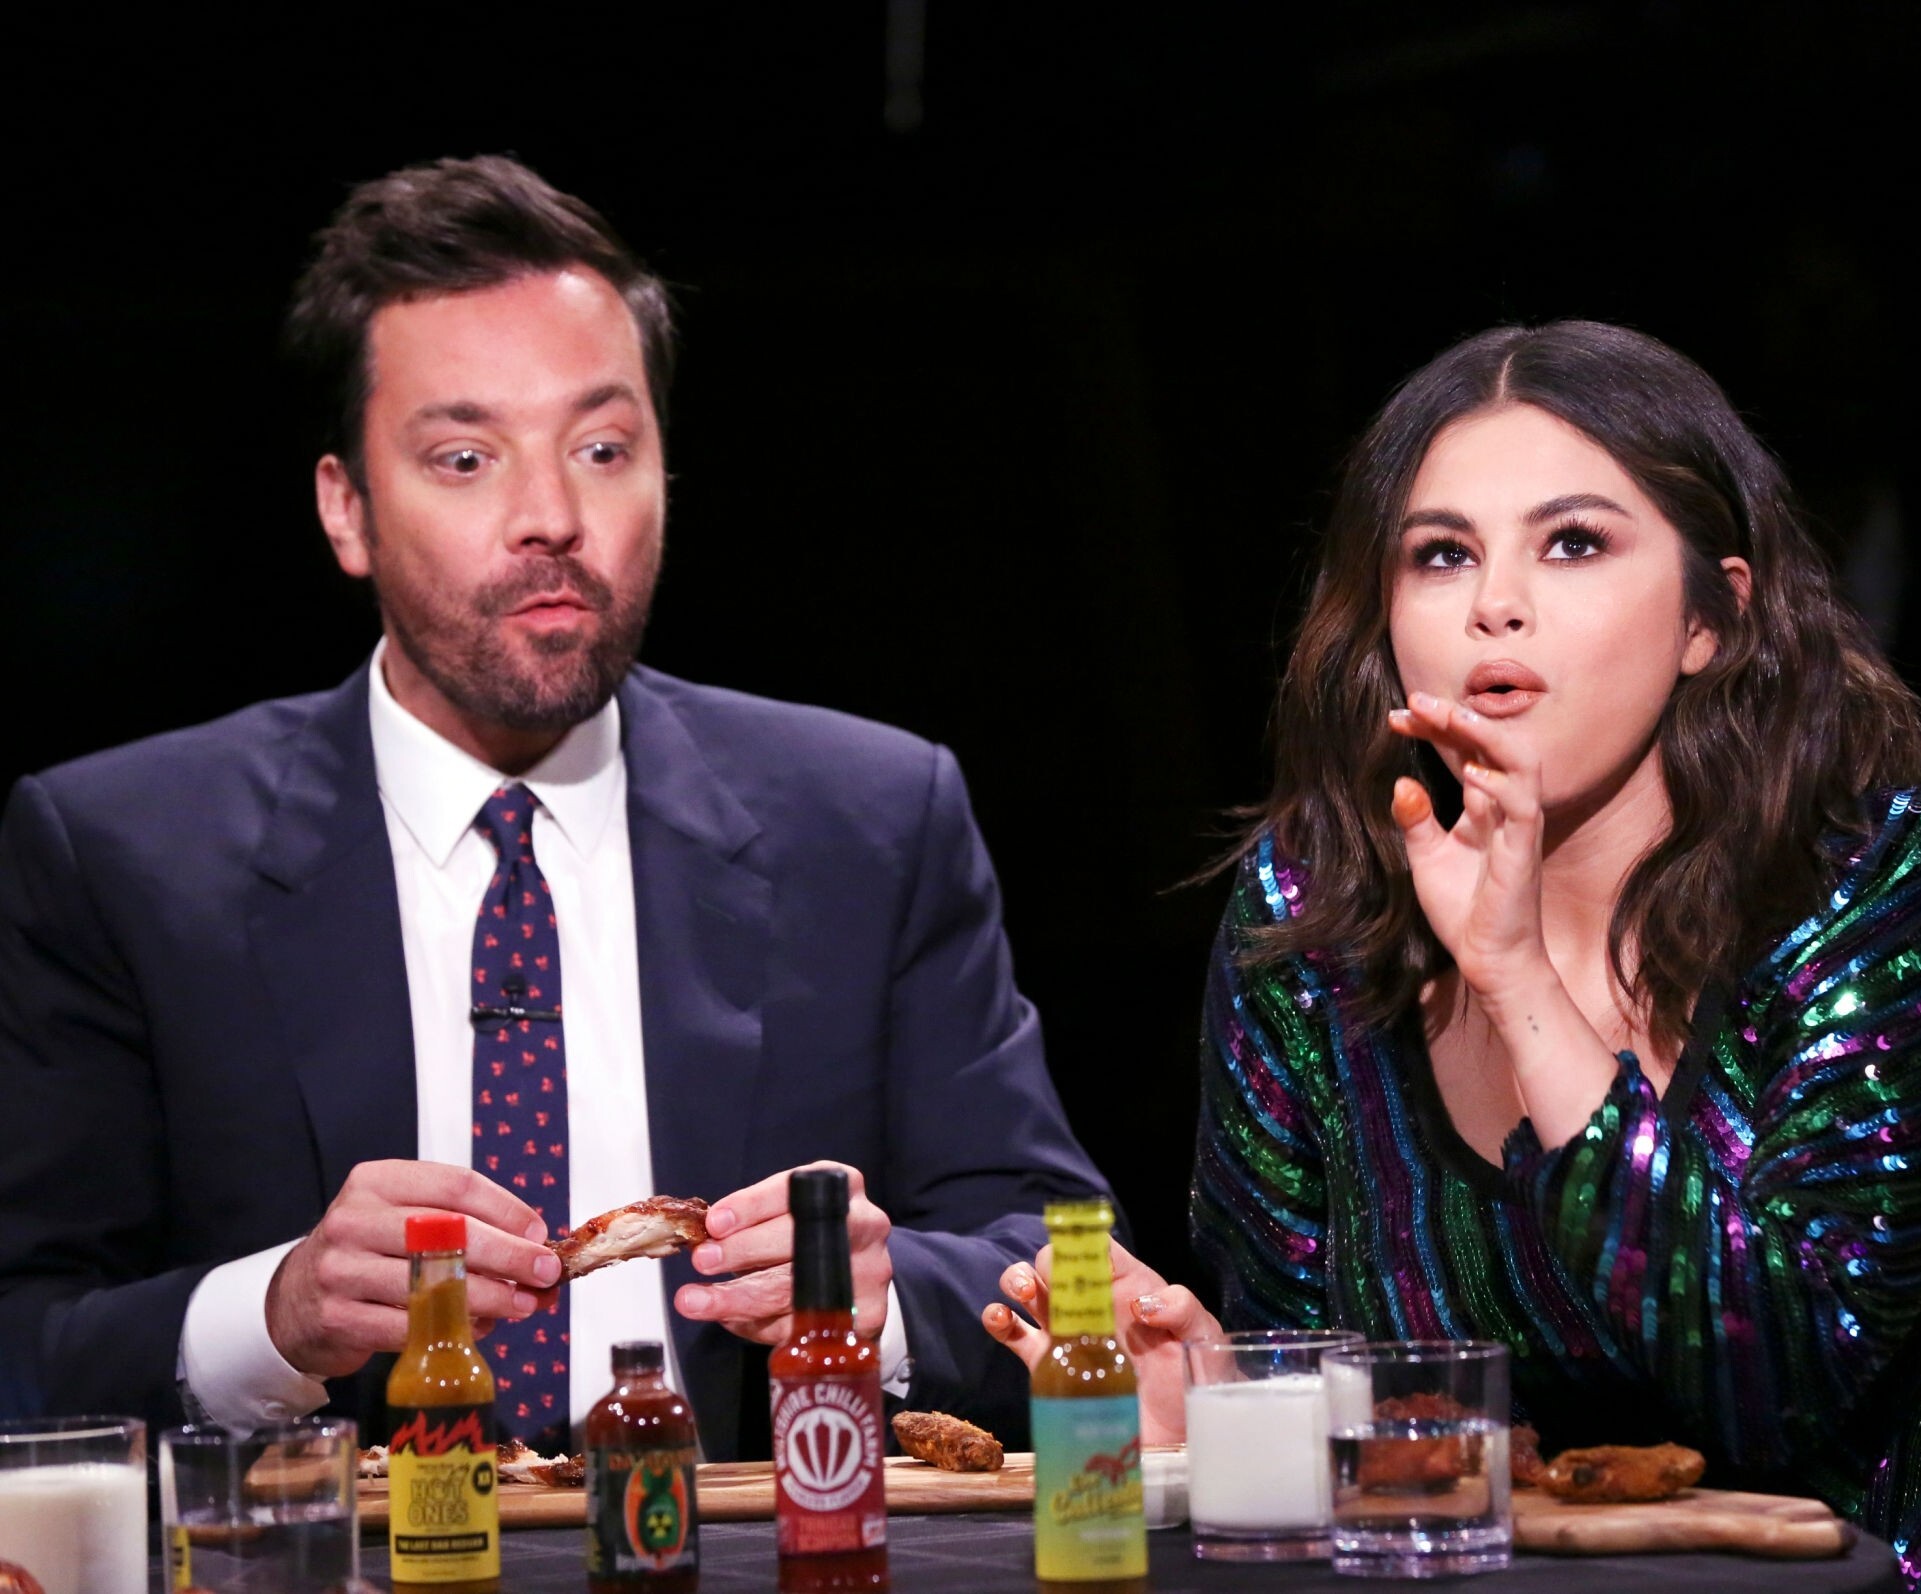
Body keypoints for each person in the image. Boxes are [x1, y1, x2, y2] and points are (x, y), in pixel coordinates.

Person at [0, 154, 1108, 1460]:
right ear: (347, 509)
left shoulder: (869, 821)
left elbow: (1067, 1259)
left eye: (602, 449)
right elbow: (26, 1334)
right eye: (466, 457)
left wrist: (880, 1294)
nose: (551, 517)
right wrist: (274, 1316)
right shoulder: (124, 854)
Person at [984, 322, 1921, 1592]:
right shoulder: (1310, 917)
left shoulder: (1877, 879)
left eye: (1572, 542)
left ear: (1711, 615)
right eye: (1440, 554)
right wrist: (1227, 1398)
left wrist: (1517, 978)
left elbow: (1781, 1385)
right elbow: (1340, 1425)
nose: (1494, 603)